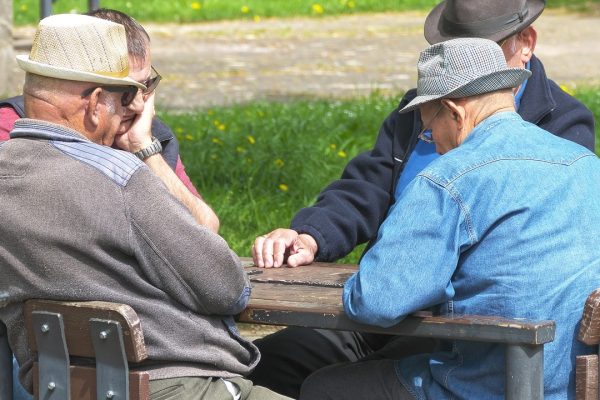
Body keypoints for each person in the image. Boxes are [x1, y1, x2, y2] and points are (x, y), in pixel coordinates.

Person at [248, 0, 596, 397]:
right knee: (280, 357)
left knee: (325, 387)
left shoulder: (451, 177)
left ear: (454, 112)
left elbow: (375, 301)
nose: (429, 139)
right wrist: (313, 234)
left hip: (480, 363)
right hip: (564, 377)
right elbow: (368, 185)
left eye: (429, 129)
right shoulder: (585, 164)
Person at [0, 14, 290, 400]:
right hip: (176, 383)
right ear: (95, 103)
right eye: (125, 96)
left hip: (59, 388)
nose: (132, 108)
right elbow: (227, 287)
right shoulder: (120, 176)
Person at [0, 8, 219, 232]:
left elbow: (205, 232)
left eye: (146, 87)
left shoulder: (149, 135)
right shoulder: (11, 130)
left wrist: (144, 149)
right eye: (126, 92)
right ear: (92, 93)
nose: (139, 106)